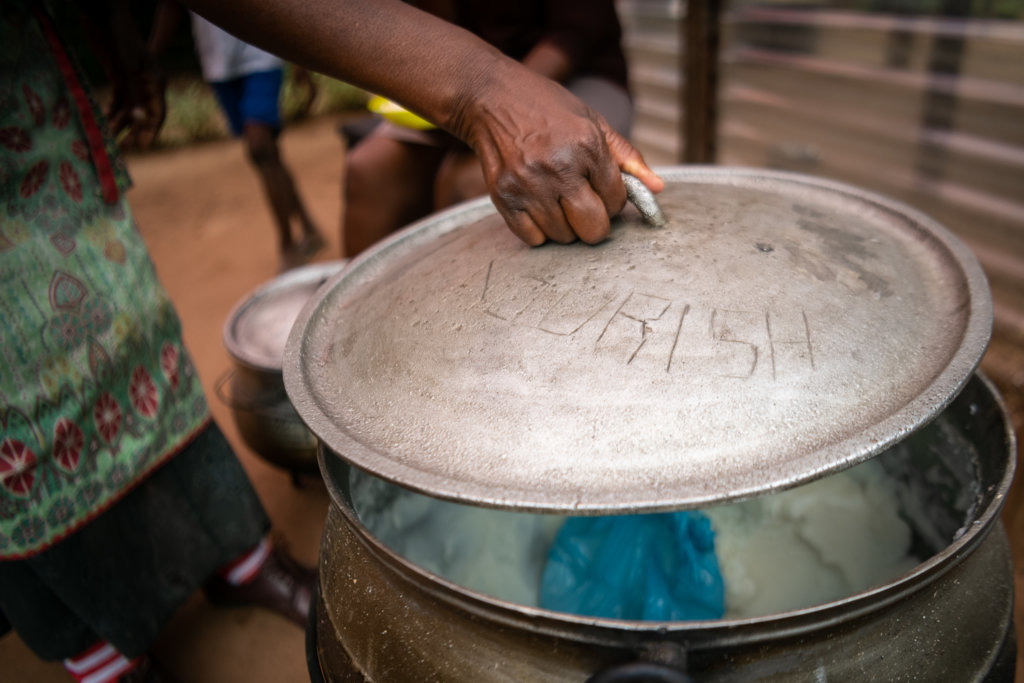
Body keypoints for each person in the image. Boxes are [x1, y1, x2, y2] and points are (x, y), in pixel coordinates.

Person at [1, 1, 661, 681]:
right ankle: (394, 406)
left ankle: (247, 555)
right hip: (475, 79)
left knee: (465, 189)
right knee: (369, 170)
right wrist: (478, 92)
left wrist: (498, 92)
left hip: (560, 75)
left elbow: (580, 27)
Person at [0, 3, 314, 682]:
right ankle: (103, 657)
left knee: (131, 333)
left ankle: (240, 560)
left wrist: (114, 33)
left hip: (25, 105)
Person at [343, 0, 638, 257]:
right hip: (466, 81)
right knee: (368, 168)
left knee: (470, 180)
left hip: (572, 72)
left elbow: (575, 32)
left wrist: (497, 102)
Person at [151, 1, 326, 272]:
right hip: (217, 62)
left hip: (262, 54)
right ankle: (309, 225)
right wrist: (149, 61)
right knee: (268, 154)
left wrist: (298, 60)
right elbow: (171, 7)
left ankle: (287, 244)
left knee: (259, 147)